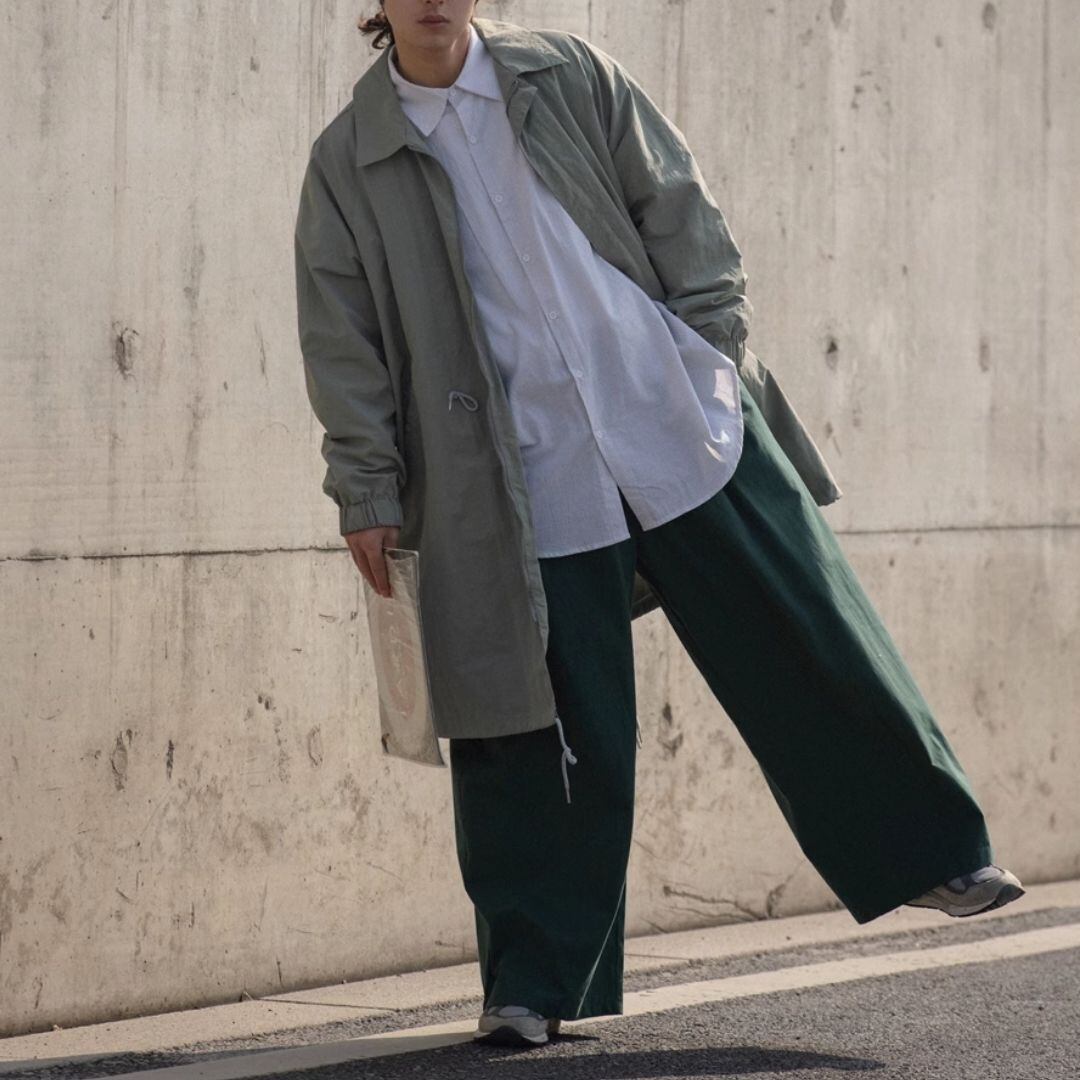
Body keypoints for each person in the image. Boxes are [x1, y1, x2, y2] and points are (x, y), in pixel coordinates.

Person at [294, 0, 1025, 1049]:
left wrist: (714, 351)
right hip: (518, 475)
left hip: (675, 417)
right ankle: (534, 981)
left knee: (811, 635)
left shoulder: (567, 74)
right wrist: (365, 488)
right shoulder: (350, 160)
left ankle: (935, 852)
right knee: (540, 729)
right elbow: (343, 336)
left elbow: (676, 202)